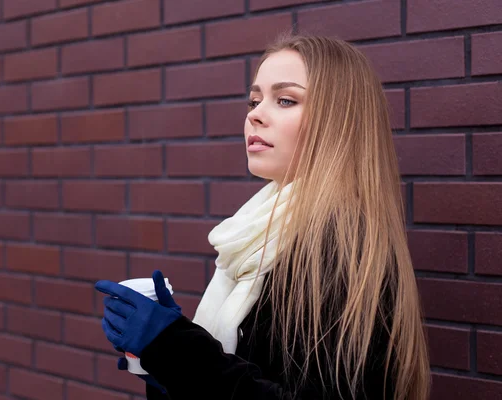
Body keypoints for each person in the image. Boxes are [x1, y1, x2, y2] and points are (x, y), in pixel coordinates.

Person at [95, 33, 431, 400]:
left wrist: (174, 348)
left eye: (285, 100)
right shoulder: (261, 231)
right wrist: (162, 361)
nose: (255, 114)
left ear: (340, 121)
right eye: (255, 100)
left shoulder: (341, 244)